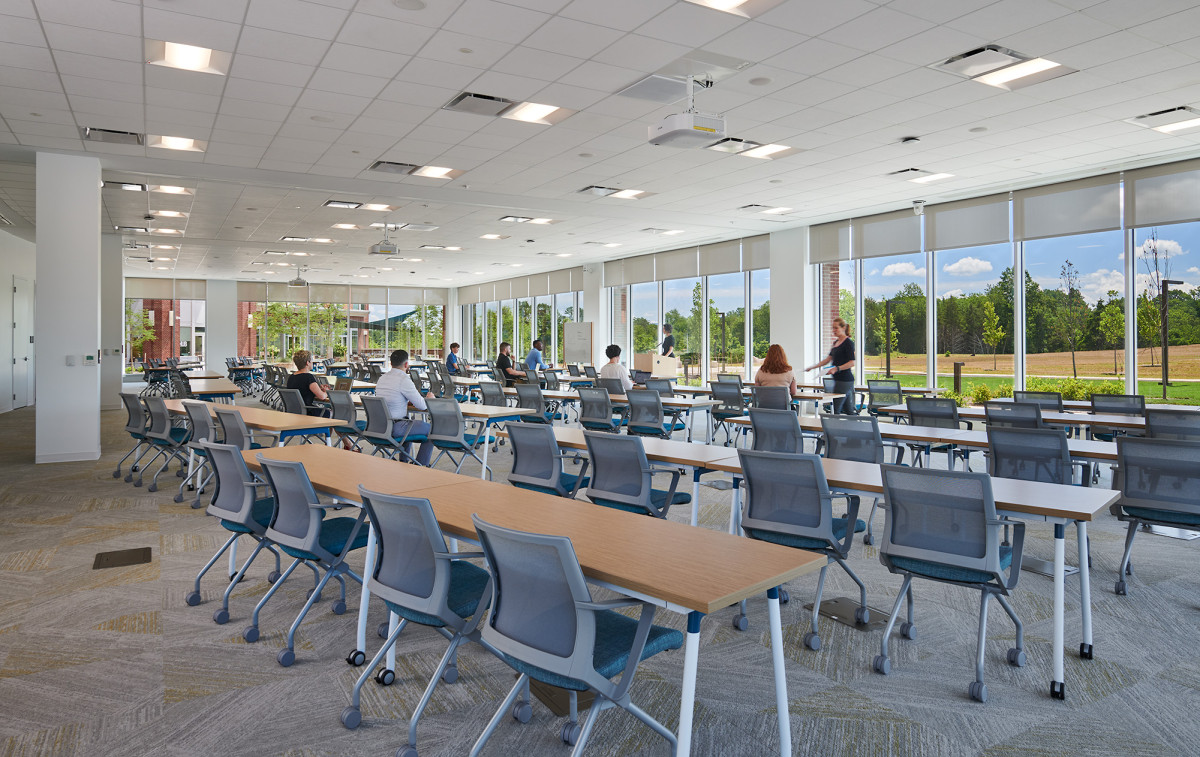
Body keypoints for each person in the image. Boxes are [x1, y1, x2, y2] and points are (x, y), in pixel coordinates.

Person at [373, 349, 433, 465]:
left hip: (379, 426)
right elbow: (422, 406)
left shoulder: (382, 378)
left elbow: (390, 399)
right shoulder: (404, 379)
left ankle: (403, 462)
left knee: (408, 422)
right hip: (395, 427)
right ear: (406, 364)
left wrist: (406, 401)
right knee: (433, 430)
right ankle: (421, 465)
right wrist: (429, 398)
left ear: (391, 364)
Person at [806, 317, 856, 414]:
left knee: (835, 408)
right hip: (838, 380)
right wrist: (812, 367)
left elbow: (852, 362)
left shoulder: (848, 343)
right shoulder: (835, 343)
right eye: (833, 328)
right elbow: (828, 359)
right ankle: (860, 428)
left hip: (845, 380)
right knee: (848, 409)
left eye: (836, 328)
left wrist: (837, 368)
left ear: (843, 328)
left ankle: (833, 428)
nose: (834, 330)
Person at [285, 350, 330, 416]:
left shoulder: (291, 377)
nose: (312, 362)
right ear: (307, 363)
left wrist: (320, 390)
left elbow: (303, 392)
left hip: (294, 412)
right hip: (307, 411)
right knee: (329, 412)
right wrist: (326, 391)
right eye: (311, 361)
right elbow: (322, 396)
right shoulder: (308, 377)